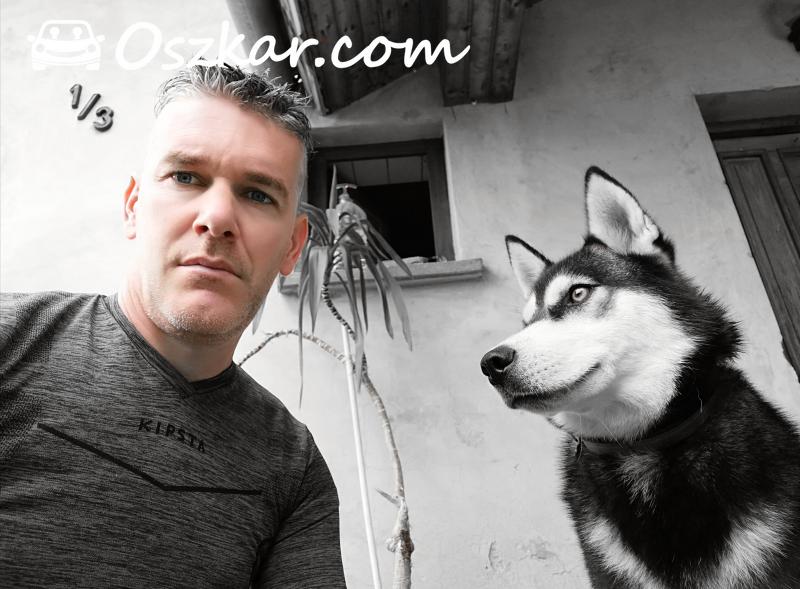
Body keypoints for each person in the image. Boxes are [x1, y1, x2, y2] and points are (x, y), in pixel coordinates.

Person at [0, 64, 346, 588]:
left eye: (258, 194)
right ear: (134, 206)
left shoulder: (293, 467)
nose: (217, 218)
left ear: (293, 247)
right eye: (186, 177)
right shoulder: (11, 343)